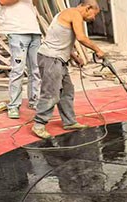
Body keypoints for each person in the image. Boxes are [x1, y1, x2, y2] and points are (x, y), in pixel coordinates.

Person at [31, 0, 105, 140]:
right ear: (88, 8)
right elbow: (81, 38)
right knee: (51, 92)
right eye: (94, 14)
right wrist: (98, 50)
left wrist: (75, 57)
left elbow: (60, 41)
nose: (93, 18)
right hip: (50, 58)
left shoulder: (66, 13)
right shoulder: (75, 14)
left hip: (57, 58)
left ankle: (69, 122)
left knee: (67, 91)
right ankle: (39, 124)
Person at [0, 0, 42, 119]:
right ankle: (14, 105)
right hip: (16, 30)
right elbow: (3, 1)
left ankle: (35, 100)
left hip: (34, 29)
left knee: (36, 69)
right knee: (18, 70)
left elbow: (35, 3)